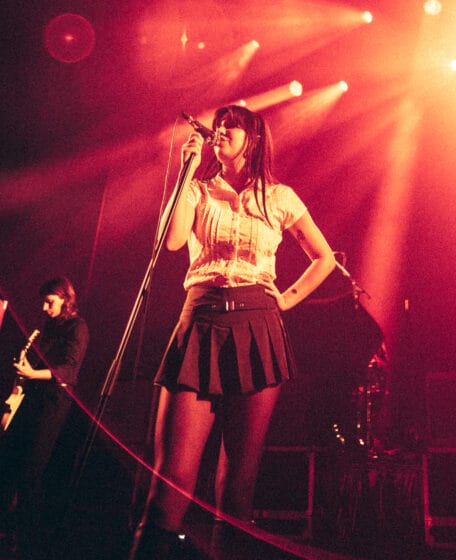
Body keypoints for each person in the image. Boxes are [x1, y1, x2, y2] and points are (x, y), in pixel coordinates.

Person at [129, 104, 336, 560]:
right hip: (201, 320)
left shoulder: (279, 197)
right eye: (218, 125)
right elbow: (172, 241)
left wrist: (287, 298)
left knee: (238, 486)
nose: (220, 131)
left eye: (231, 127)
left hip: (258, 325)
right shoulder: (198, 189)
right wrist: (187, 169)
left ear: (253, 139)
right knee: (171, 479)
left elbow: (324, 258)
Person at [0, 276, 89, 560]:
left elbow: (69, 370)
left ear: (65, 299)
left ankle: (26, 540)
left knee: (31, 470)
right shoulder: (46, 327)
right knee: (7, 462)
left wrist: (32, 373)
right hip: (30, 399)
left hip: (52, 405)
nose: (45, 307)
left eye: (50, 302)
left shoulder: (77, 327)